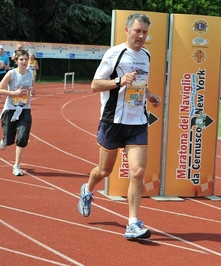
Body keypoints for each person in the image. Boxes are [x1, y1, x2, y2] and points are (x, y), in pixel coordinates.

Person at [77, 13, 161, 239]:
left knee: (138, 171)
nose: (142, 36)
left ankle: (132, 222)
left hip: (137, 122)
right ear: (127, 30)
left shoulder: (146, 55)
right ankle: (88, 189)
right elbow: (95, 85)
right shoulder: (115, 53)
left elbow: (140, 85)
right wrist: (118, 81)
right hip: (113, 121)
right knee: (104, 171)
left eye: (145, 32)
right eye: (137, 31)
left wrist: (150, 96)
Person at [0, 49, 37, 176]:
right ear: (17, 61)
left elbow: (33, 90)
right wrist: (14, 93)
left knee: (22, 137)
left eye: (25, 59)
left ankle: (16, 165)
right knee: (9, 141)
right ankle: (4, 140)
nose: (24, 61)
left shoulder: (31, 74)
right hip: (10, 109)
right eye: (21, 59)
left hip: (24, 109)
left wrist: (33, 91)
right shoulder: (11, 74)